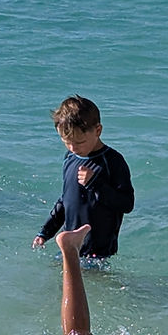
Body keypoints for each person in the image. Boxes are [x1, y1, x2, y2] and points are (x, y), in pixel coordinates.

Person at [33, 96, 134, 259]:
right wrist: (45, 232)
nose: (73, 148)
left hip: (98, 252)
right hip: (69, 249)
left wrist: (96, 184)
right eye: (67, 142)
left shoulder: (113, 162)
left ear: (98, 130)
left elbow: (126, 204)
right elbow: (65, 201)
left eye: (79, 142)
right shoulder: (70, 158)